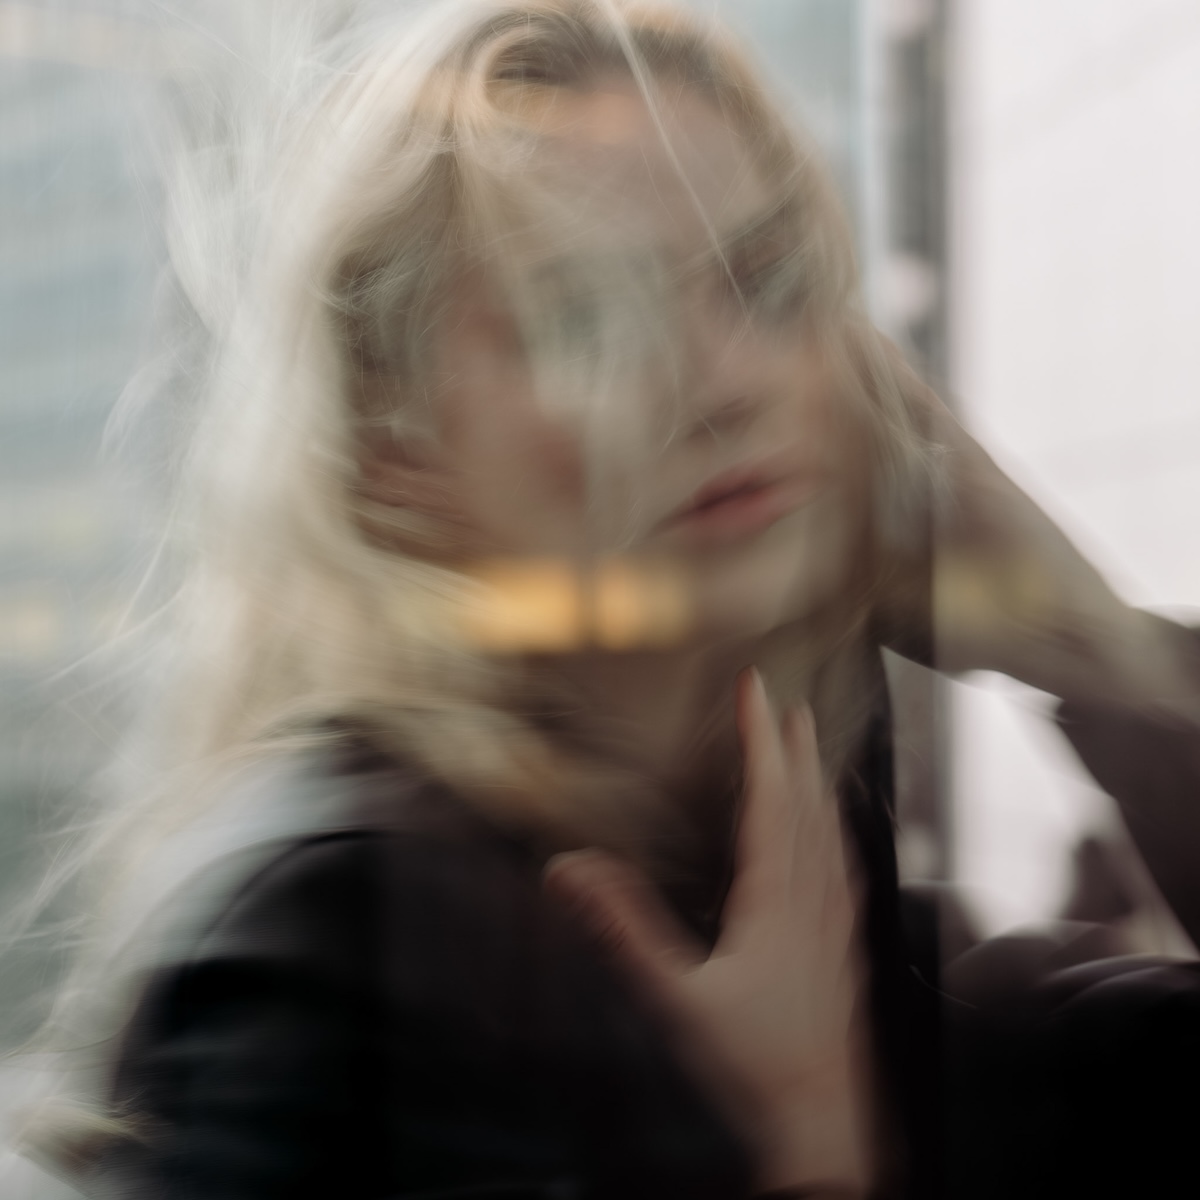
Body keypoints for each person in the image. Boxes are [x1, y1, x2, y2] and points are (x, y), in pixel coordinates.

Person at [10, 2, 1200, 1198]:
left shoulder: (779, 890)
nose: (720, 383)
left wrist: (1096, 651)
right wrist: (797, 1162)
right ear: (393, 453)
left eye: (764, 281)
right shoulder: (339, 941)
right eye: (583, 318)